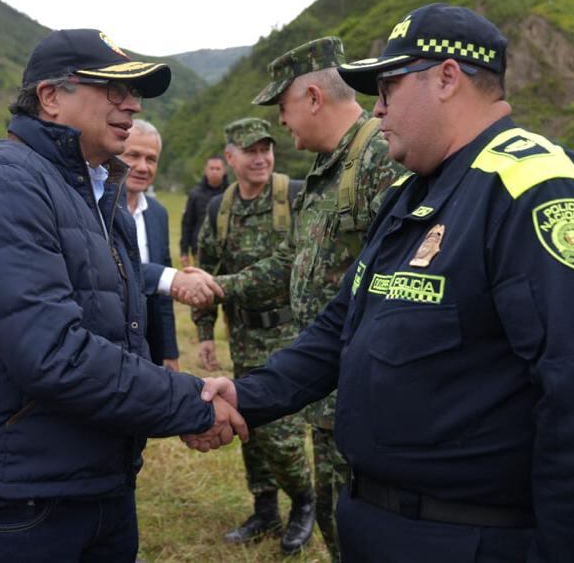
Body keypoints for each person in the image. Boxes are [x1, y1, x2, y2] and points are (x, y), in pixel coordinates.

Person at [191, 3, 574, 561]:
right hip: (381, 522)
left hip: (471, 536)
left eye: (388, 87)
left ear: (446, 78)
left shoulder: (536, 191)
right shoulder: (416, 192)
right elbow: (344, 324)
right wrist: (247, 394)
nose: (377, 108)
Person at [0, 28, 246, 562]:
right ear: (51, 97)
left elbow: (116, 333)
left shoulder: (100, 192)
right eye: (112, 90)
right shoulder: (5, 186)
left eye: (135, 92)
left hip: (99, 479)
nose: (131, 104)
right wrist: (187, 402)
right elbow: (53, 353)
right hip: (23, 499)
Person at [223, 35, 402, 560]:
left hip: (369, 395)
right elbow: (295, 261)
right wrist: (219, 286)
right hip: (329, 390)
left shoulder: (380, 159)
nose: (281, 123)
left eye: (283, 107)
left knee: (368, 527)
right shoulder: (327, 171)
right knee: (334, 516)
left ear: (313, 98)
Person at [194, 117, 315, 555]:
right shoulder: (219, 209)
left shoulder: (295, 196)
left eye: (266, 148)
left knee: (282, 435)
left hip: (290, 335)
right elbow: (205, 271)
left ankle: (304, 501)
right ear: (230, 158)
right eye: (250, 150)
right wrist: (205, 332)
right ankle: (265, 508)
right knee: (249, 426)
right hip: (243, 334)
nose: (261, 157)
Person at [118, 119, 222, 371]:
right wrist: (169, 278)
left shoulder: (157, 213)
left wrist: (169, 352)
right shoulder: (95, 207)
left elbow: (163, 298)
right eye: (133, 155)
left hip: (147, 347)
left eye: (151, 159)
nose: (143, 167)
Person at [180, 154, 227, 267]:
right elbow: (187, 223)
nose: (214, 172)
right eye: (211, 168)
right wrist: (184, 251)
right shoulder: (195, 194)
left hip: (226, 250)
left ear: (224, 171)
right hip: (199, 250)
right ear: (205, 170)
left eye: (218, 168)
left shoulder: (231, 193)